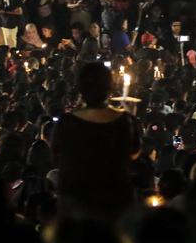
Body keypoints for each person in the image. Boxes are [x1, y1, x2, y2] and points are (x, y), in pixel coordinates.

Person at [51, 62, 140, 220]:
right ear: (109, 88)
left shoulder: (66, 122)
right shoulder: (125, 121)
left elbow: (56, 154)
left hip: (76, 204)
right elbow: (133, 153)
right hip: (114, 202)